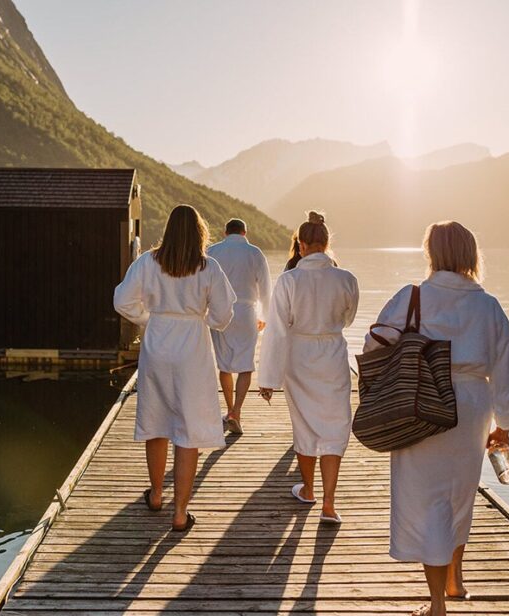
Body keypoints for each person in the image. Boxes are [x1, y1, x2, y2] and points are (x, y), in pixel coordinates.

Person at [363, 221, 509, 616]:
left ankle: (437, 610)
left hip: (421, 402)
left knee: (428, 499)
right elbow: (506, 367)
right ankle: (455, 581)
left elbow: (373, 345)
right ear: (470, 254)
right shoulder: (489, 305)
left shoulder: (412, 296)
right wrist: (505, 423)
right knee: (458, 494)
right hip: (472, 406)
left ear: (432, 253)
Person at [113, 205, 237, 533]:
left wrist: (148, 318)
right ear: (199, 233)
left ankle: (156, 495)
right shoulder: (209, 268)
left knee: (156, 420)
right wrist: (202, 321)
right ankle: (180, 512)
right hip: (193, 348)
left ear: (167, 231)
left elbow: (122, 301)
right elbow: (225, 316)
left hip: (157, 345)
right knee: (189, 426)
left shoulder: (147, 263)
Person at [257, 211, 359, 524]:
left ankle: (309, 491)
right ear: (327, 244)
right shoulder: (346, 279)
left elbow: (275, 330)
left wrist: (268, 378)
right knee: (335, 424)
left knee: (303, 423)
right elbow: (349, 318)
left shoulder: (289, 280)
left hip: (298, 356)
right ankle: (329, 503)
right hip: (332, 354)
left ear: (301, 246)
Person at [207, 218, 272, 435]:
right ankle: (237, 411)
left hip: (220, 312)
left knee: (224, 365)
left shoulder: (213, 251)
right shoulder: (255, 253)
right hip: (246, 312)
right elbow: (265, 289)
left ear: (226, 233)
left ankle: (228, 409)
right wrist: (265, 316)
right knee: (245, 364)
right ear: (245, 233)